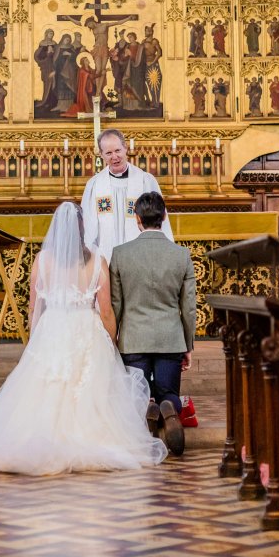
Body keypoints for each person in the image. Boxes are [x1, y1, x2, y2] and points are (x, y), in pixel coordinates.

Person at [0, 203, 166, 476]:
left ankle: (36, 441)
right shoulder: (98, 260)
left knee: (45, 388)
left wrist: (36, 341)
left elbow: (34, 307)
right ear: (83, 227)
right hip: (87, 331)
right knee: (87, 391)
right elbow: (106, 310)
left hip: (53, 329)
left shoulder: (43, 260)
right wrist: (112, 342)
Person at [110, 192, 196, 457]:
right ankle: (168, 407)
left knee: (137, 394)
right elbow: (189, 307)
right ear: (164, 216)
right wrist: (188, 344)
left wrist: (113, 338)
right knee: (168, 391)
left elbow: (116, 304)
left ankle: (146, 409)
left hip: (133, 339)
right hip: (169, 338)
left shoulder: (120, 254)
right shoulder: (181, 255)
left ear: (137, 219)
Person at [81, 128, 173, 264]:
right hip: (105, 260)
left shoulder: (145, 181)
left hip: (141, 259)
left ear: (125, 148)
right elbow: (87, 226)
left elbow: (160, 221)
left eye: (117, 151)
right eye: (108, 153)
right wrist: (88, 261)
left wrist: (165, 253)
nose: (114, 157)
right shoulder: (94, 185)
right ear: (101, 155)